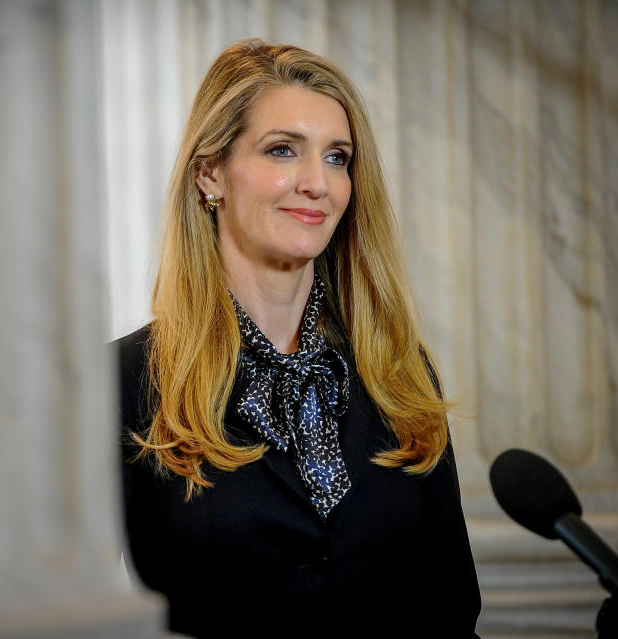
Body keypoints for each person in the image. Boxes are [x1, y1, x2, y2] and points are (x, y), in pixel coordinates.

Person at [115, 39, 481, 638]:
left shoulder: (399, 370)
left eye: (337, 158)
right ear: (210, 173)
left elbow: (451, 611)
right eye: (283, 150)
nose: (317, 183)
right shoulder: (125, 380)